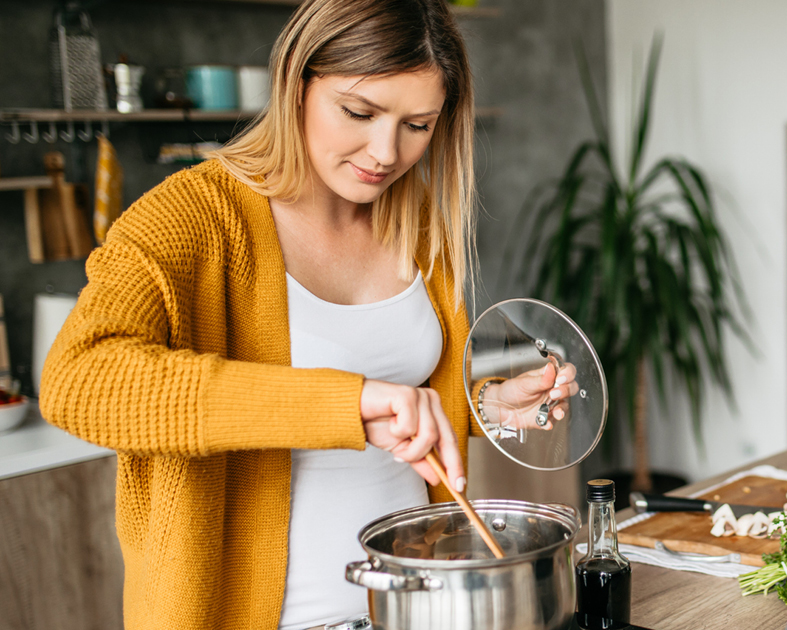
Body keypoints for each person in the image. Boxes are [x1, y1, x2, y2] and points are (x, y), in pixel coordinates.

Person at [39, 1, 573, 628]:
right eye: (359, 112)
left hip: (416, 608)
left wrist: (488, 405)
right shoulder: (192, 217)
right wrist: (342, 405)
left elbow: (404, 396)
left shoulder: (415, 217)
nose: (385, 152)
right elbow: (77, 380)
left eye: (418, 125)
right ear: (297, 81)